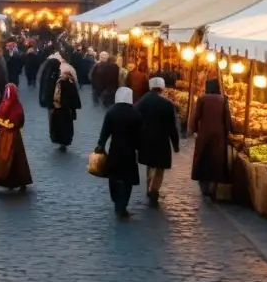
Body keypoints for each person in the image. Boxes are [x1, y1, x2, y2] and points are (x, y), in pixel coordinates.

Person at [95, 87, 142, 218]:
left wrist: (101, 144)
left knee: (114, 176)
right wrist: (139, 149)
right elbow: (139, 136)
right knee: (127, 180)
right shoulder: (136, 115)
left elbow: (105, 132)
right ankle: (123, 205)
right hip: (129, 152)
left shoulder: (111, 113)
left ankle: (116, 200)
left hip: (115, 150)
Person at [134, 77, 180, 205]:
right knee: (159, 168)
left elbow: (135, 118)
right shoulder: (166, 104)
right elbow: (172, 127)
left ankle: (149, 187)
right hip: (162, 141)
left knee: (150, 164)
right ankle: (154, 190)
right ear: (162, 87)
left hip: (145, 139)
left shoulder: (142, 101)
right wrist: (175, 144)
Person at [188, 77, 233, 198]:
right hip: (219, 134)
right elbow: (227, 118)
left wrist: (193, 130)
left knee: (203, 158)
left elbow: (196, 116)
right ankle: (213, 187)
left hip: (204, 133)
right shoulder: (223, 99)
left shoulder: (202, 99)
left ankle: (204, 185)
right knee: (216, 160)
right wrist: (229, 131)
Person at [0, 83, 33, 190]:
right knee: (17, 159)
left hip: (3, 136)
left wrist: (2, 123)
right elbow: (19, 121)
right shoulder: (17, 106)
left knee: (7, 158)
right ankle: (20, 180)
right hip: (14, 136)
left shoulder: (3, 104)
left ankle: (7, 181)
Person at [49, 62, 82, 151]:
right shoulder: (71, 82)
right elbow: (75, 96)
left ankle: (61, 142)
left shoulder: (60, 82)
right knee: (67, 126)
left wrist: (55, 104)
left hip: (60, 108)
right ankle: (66, 141)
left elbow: (57, 95)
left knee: (60, 126)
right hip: (69, 109)